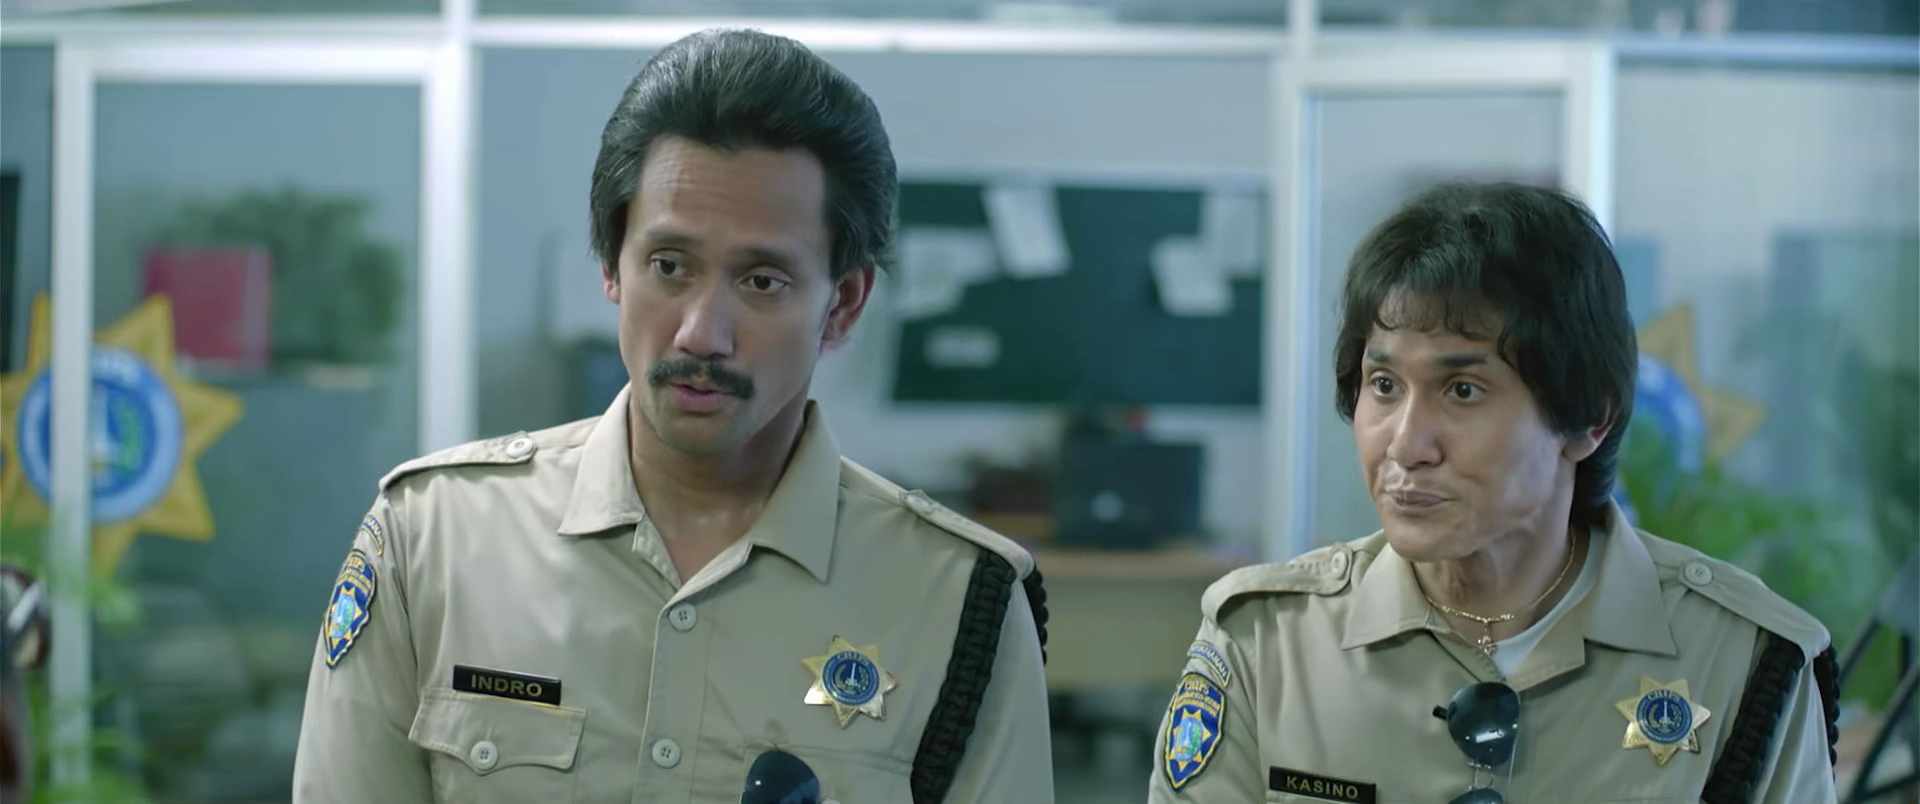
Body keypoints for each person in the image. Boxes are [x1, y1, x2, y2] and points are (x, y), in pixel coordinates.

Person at [292, 28, 1053, 804]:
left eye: (762, 281)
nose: (700, 333)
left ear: (842, 304)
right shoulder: (430, 538)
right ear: (611, 267)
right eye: (669, 266)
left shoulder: (957, 600)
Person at [1147, 182, 1839, 804]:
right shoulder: (1267, 643)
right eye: (1384, 386)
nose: (1406, 445)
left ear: (1588, 419)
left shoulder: (1740, 659)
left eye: (1463, 390)